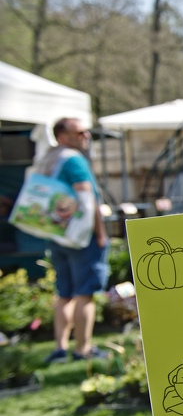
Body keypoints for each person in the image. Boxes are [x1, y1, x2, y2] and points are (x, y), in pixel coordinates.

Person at [42, 118, 110, 364]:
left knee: (65, 293)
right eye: (79, 132)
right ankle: (83, 348)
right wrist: (100, 233)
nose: (86, 135)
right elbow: (87, 198)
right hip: (82, 237)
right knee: (85, 294)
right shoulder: (73, 160)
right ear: (62, 135)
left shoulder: (49, 158)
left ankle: (60, 348)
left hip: (58, 234)